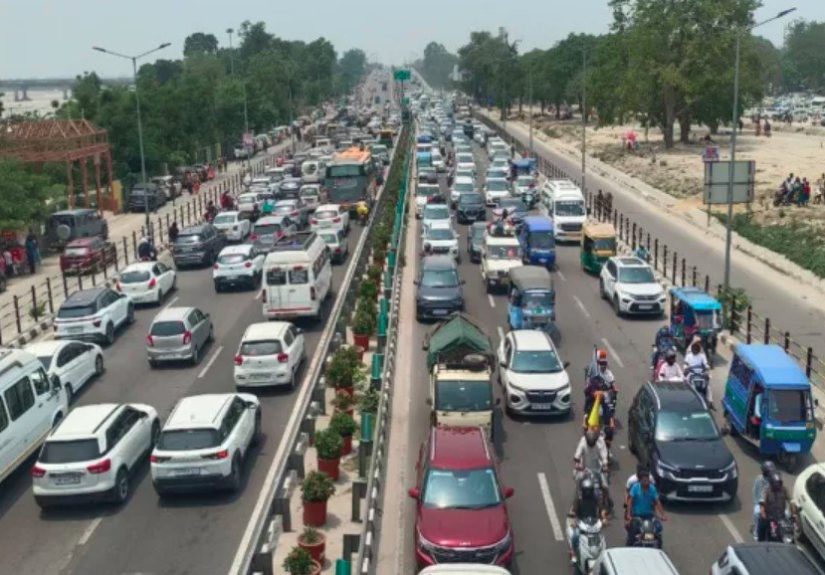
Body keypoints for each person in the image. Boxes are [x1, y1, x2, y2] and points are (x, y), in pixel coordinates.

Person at [567, 476, 608, 564]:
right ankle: (574, 554)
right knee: (575, 536)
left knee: (600, 538)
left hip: (593, 523)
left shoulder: (596, 498)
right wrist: (575, 520)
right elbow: (574, 511)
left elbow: (602, 509)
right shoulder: (579, 499)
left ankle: (601, 554)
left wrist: (604, 518)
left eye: (589, 490)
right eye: (586, 490)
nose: (588, 492)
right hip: (581, 522)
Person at [625, 468, 666, 546]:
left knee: (658, 529)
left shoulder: (652, 488)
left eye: (647, 480)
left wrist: (663, 515)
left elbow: (657, 502)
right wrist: (628, 515)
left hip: (649, 516)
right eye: (644, 480)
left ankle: (658, 548)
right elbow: (630, 502)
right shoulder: (635, 488)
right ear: (640, 480)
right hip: (637, 516)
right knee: (633, 531)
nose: (647, 482)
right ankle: (629, 546)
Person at [757, 472, 790, 542]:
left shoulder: (784, 490)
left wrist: (794, 512)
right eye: (775, 484)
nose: (777, 485)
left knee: (787, 531)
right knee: (764, 530)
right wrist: (763, 514)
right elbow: (762, 503)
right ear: (771, 483)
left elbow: (791, 500)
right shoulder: (766, 491)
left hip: (781, 517)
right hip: (769, 517)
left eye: (778, 483)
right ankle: (760, 540)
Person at [752, 461, 776, 538]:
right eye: (769, 472)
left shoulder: (774, 479)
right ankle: (756, 531)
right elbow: (756, 492)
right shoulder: (759, 479)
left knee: (786, 513)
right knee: (757, 513)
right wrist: (757, 503)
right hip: (761, 502)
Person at [683, 339, 712, 403]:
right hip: (691, 373)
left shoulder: (702, 356)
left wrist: (707, 367)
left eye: (696, 349)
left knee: (707, 385)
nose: (695, 350)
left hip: (700, 373)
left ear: (698, 349)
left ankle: (710, 401)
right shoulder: (689, 355)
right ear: (692, 349)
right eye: (694, 349)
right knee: (685, 382)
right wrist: (686, 368)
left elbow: (705, 364)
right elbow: (685, 364)